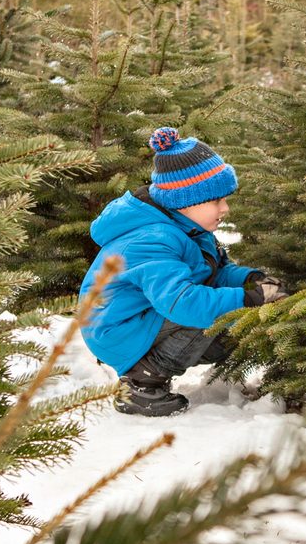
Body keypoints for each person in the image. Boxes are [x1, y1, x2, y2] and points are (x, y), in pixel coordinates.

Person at [80, 127, 286, 417]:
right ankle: (141, 383)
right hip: (117, 328)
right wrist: (250, 299)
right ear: (186, 200)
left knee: (217, 311)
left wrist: (249, 280)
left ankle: (178, 357)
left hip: (144, 319)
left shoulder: (188, 226)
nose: (225, 208)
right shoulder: (153, 239)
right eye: (216, 200)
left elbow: (216, 272)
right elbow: (182, 303)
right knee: (202, 310)